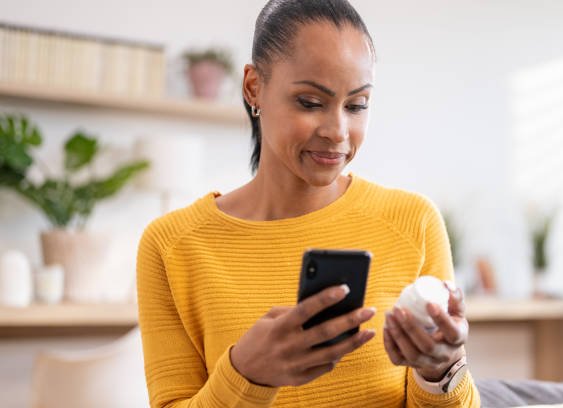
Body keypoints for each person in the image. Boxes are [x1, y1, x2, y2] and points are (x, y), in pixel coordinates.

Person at [137, 1, 480, 407]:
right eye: (310, 102)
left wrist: (441, 372)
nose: (338, 132)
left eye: (357, 105)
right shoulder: (171, 245)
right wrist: (246, 374)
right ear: (253, 87)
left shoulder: (413, 222)